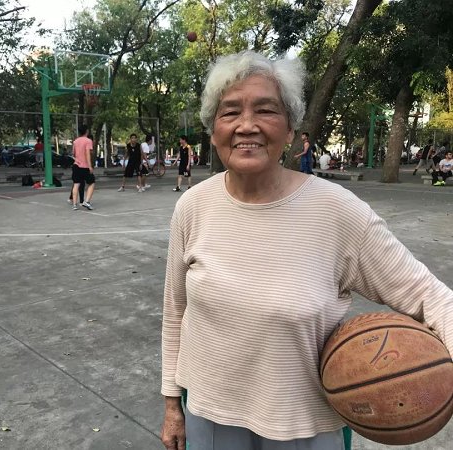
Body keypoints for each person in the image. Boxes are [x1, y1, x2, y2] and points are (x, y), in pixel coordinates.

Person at [160, 50, 453, 450]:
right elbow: (175, 311)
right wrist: (172, 404)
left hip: (304, 424)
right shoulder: (193, 206)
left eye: (266, 110)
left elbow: (429, 296)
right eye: (230, 112)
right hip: (210, 415)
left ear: (291, 130)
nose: (247, 125)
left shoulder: (338, 211)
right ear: (214, 131)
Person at [71, 124, 95, 210]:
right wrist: (90, 166)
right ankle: (87, 201)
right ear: (86, 131)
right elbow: (87, 153)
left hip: (76, 165)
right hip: (84, 166)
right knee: (92, 182)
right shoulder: (88, 141)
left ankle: (74, 205)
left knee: (76, 184)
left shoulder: (75, 141)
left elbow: (73, 154)